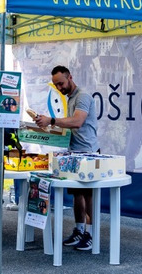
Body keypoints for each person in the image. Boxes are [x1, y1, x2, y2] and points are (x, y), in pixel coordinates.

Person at [33, 65, 100, 252]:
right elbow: (71, 126)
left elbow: (77, 121)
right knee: (77, 194)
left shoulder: (83, 97)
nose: (60, 88)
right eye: (56, 85)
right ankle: (80, 230)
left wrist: (52, 121)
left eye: (61, 83)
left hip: (88, 153)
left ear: (70, 77)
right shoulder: (70, 98)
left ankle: (92, 234)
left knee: (88, 195)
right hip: (75, 152)